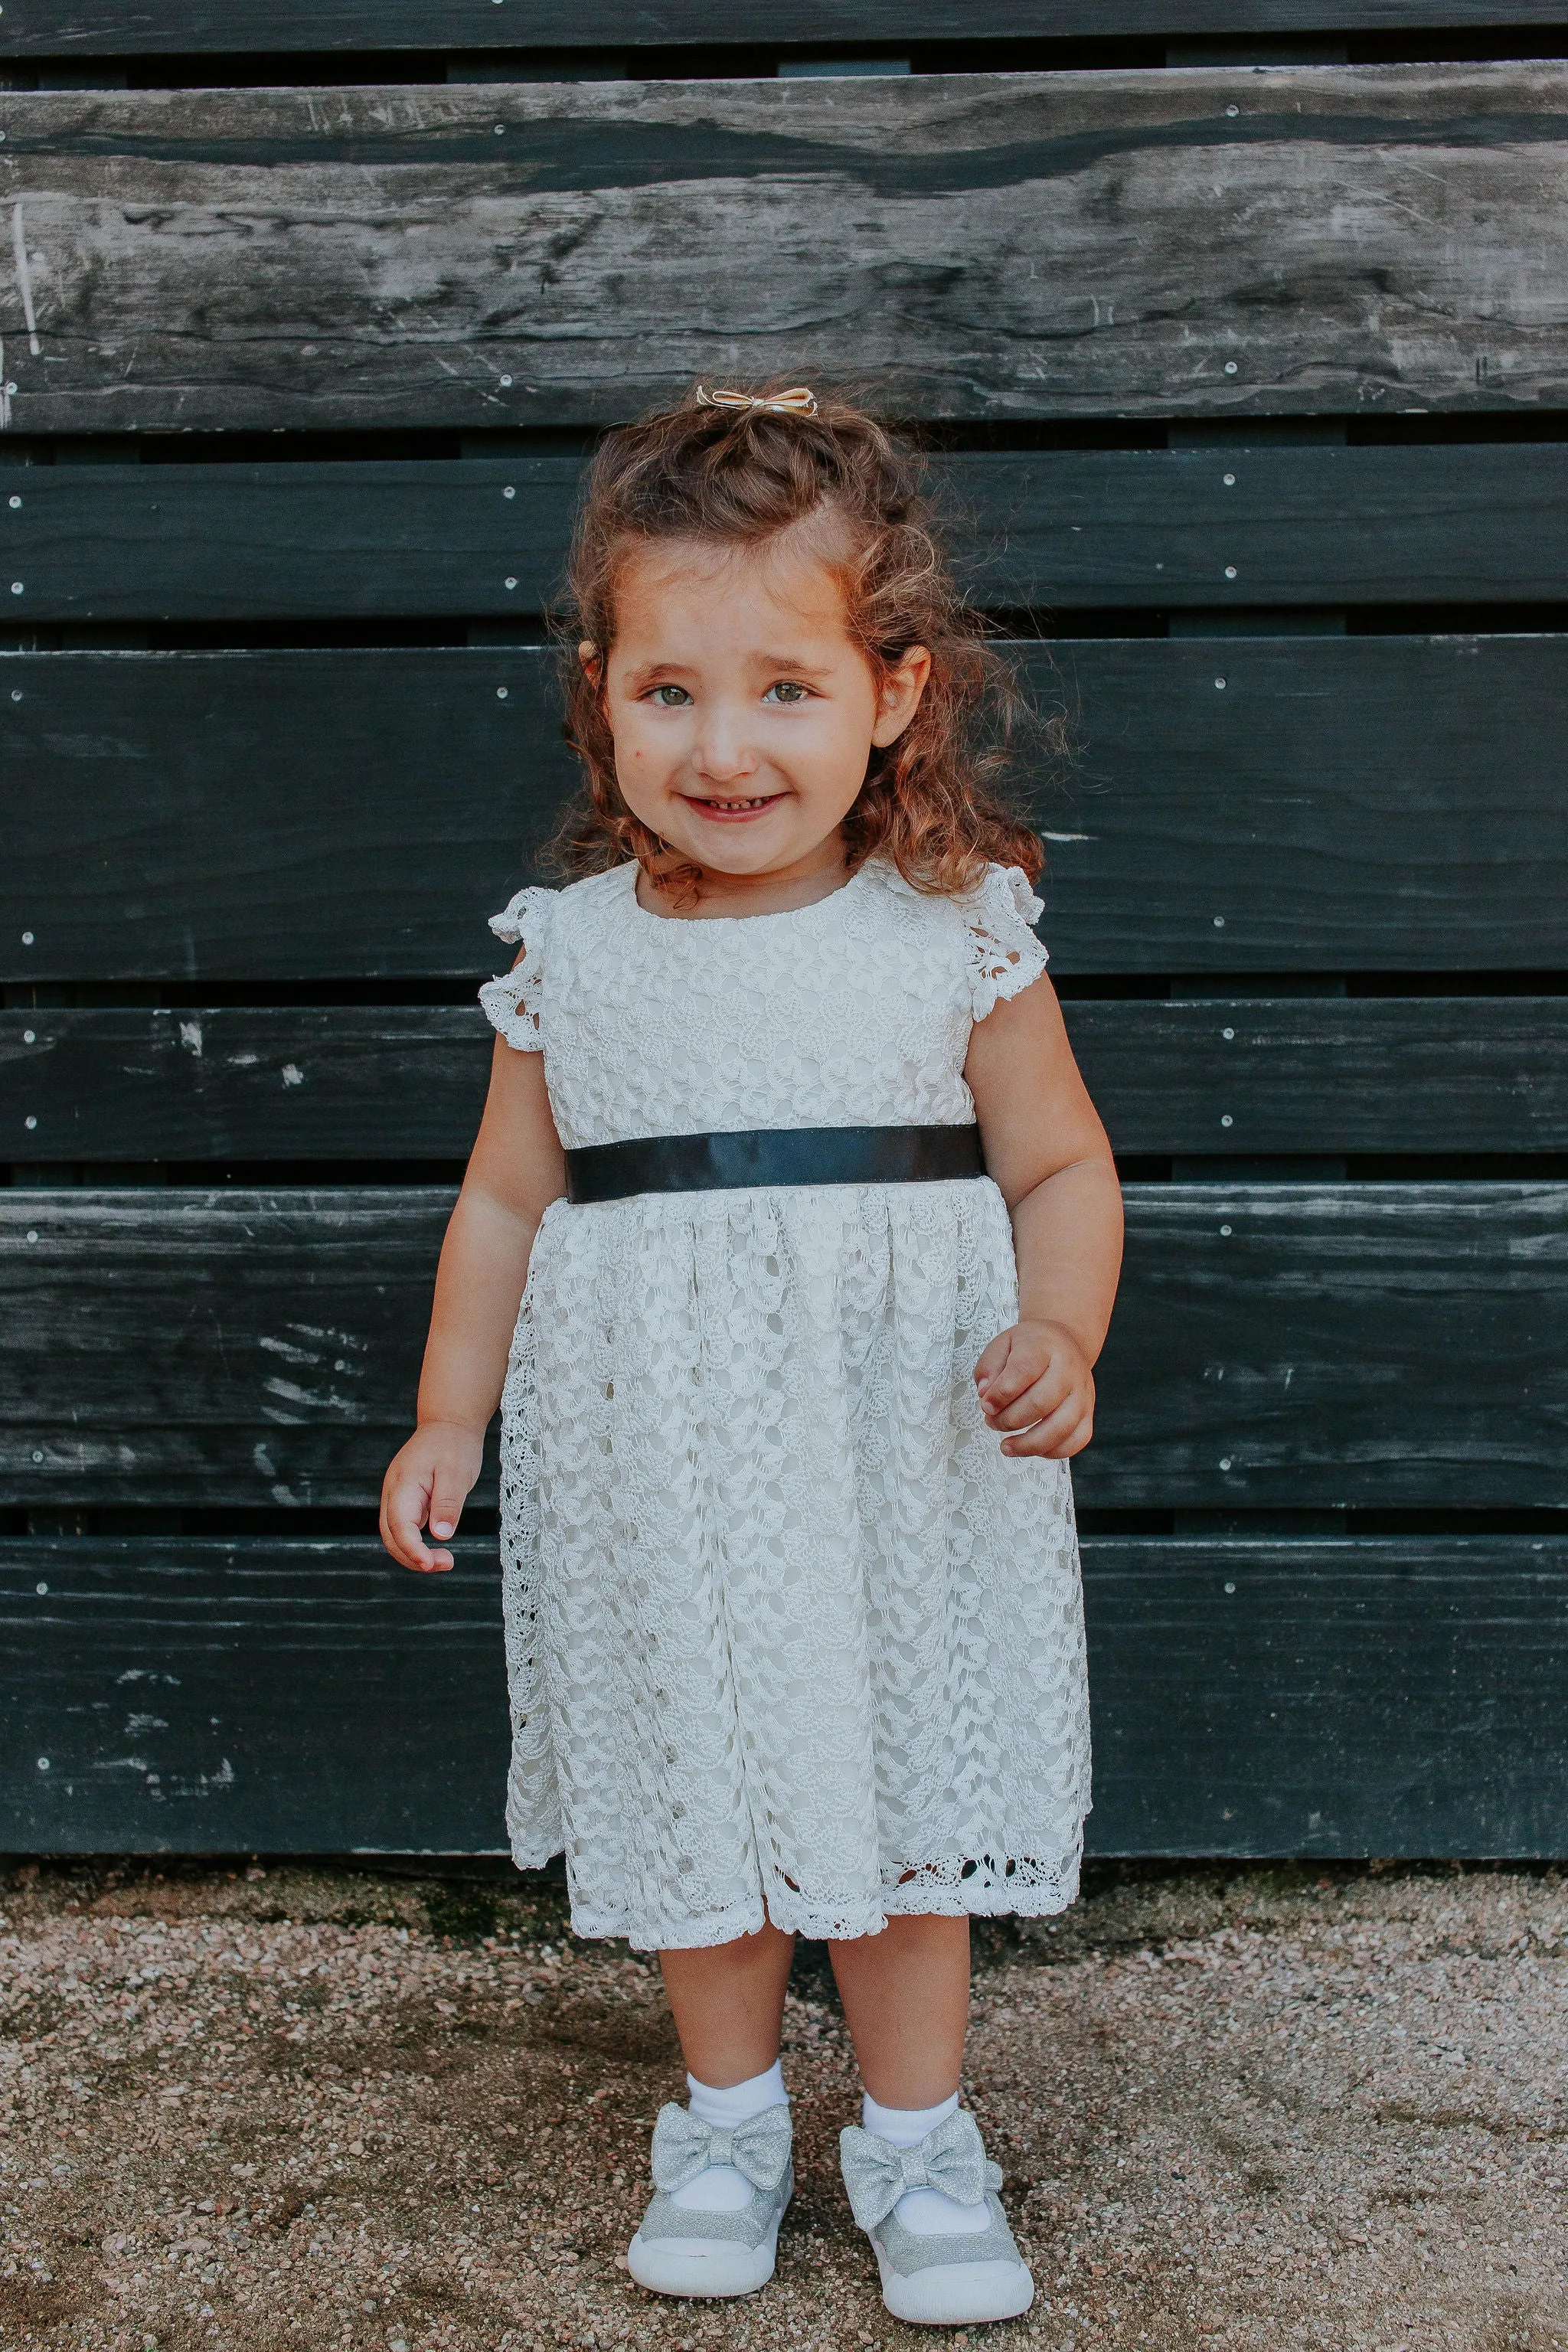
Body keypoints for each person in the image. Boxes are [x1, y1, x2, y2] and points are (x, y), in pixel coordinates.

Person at [380, 382, 1124, 2328]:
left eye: (783, 690)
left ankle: (914, 2137)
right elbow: (501, 1206)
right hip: (661, 1470)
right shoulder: (572, 948)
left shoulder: (951, 929)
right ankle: (722, 2119)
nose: (725, 747)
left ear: (890, 693)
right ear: (601, 698)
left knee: (890, 1812)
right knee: (693, 1788)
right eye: (671, 694)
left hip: (901, 1456)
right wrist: (451, 1409)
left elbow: (1056, 1162)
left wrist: (1063, 1324)